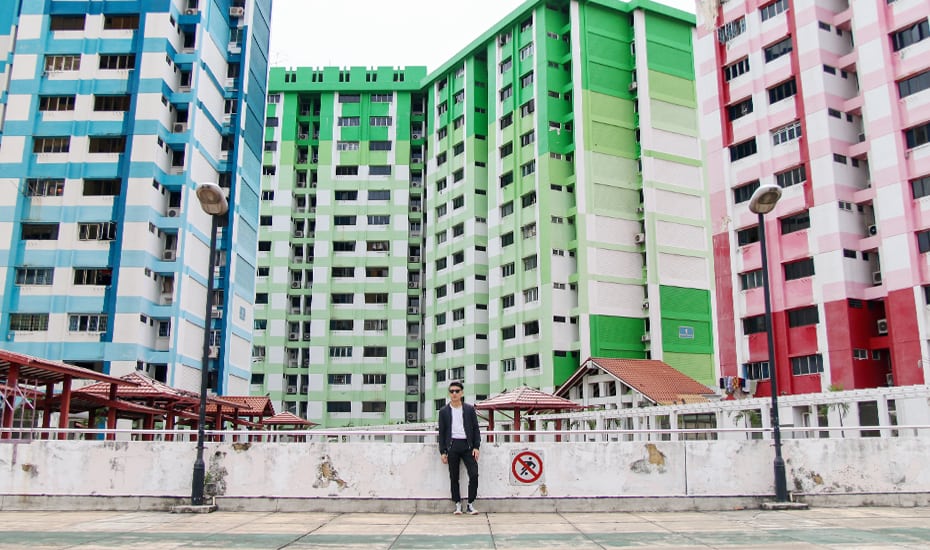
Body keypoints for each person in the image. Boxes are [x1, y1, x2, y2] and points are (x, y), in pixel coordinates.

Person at [437, 380, 481, 515]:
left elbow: (475, 429)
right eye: (452, 391)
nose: (454, 394)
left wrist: (476, 446)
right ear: (449, 394)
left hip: (467, 446)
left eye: (457, 391)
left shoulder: (469, 409)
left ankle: (470, 504)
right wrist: (443, 451)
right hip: (452, 446)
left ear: (462, 393)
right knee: (454, 476)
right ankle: (457, 504)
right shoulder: (444, 411)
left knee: (474, 474)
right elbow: (442, 432)